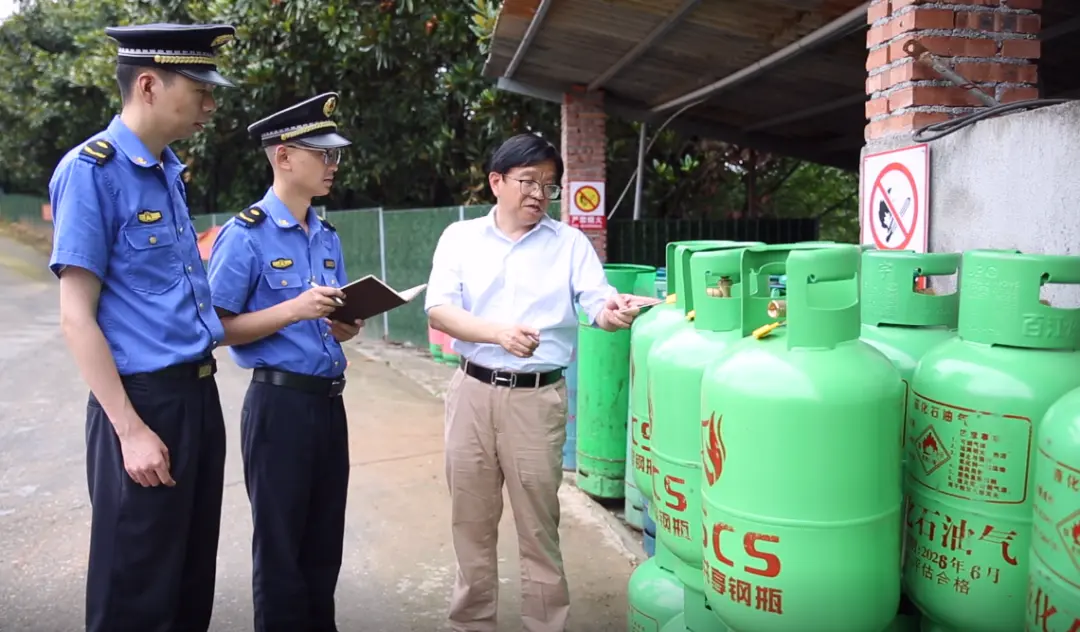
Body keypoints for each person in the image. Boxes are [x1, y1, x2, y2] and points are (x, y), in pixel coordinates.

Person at [46, 23, 238, 632]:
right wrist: (129, 431)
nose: (210, 104)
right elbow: (77, 317)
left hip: (197, 399)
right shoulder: (91, 171)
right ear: (149, 85)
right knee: (136, 590)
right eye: (200, 88)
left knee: (187, 582)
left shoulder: (167, 173)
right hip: (142, 403)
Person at [424, 133, 651, 632]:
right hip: (472, 394)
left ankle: (546, 624)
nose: (537, 194)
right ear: (496, 182)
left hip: (536, 398)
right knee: (472, 521)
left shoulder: (568, 242)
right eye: (527, 181)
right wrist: (498, 334)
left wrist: (612, 312)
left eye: (548, 186)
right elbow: (440, 309)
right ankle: (471, 622)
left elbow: (596, 300)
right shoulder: (459, 238)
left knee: (538, 527)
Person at [206, 92, 362, 632]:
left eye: (335, 154)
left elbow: (332, 320)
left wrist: (345, 325)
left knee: (324, 548)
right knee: (280, 552)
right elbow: (215, 329)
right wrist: (292, 309)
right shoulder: (244, 235)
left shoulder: (326, 235)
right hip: (279, 407)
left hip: (328, 406)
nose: (332, 165)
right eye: (323, 154)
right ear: (284, 156)